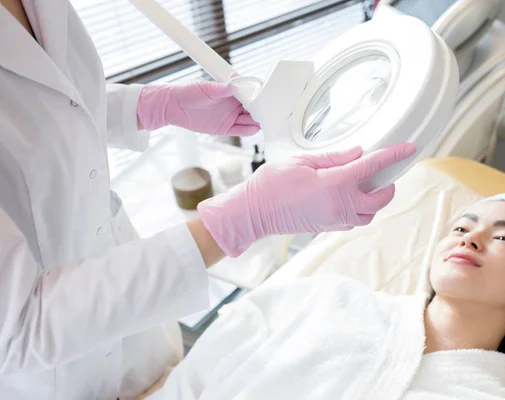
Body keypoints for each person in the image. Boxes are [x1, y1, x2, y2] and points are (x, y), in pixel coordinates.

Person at [0, 1, 417, 398]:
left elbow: (48, 105)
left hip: (129, 311)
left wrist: (147, 106)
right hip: (48, 374)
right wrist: (243, 218)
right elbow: (18, 327)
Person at [145, 194, 505, 399]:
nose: (472, 238)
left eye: (503, 237)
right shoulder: (329, 298)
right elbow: (199, 373)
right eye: (461, 228)